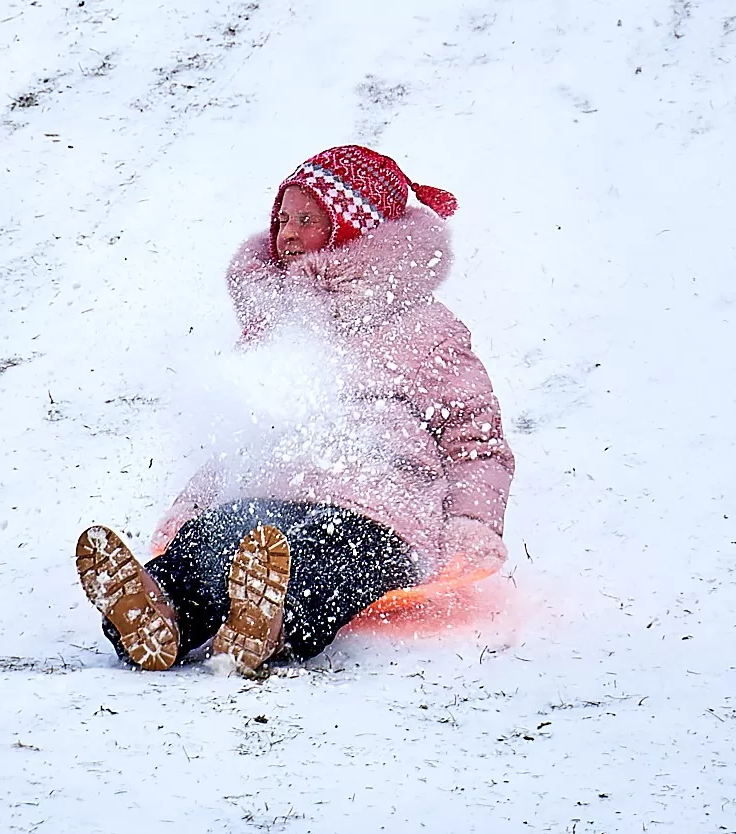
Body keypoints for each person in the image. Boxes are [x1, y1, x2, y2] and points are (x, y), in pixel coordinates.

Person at [76, 145, 515, 674]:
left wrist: (473, 524)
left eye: (307, 219)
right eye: (281, 218)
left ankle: (267, 625)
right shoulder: (275, 328)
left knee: (328, 559)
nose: (286, 232)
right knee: (212, 541)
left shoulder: (423, 328)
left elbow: (474, 439)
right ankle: (156, 610)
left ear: (356, 228)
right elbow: (242, 435)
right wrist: (192, 510)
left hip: (378, 507)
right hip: (271, 491)